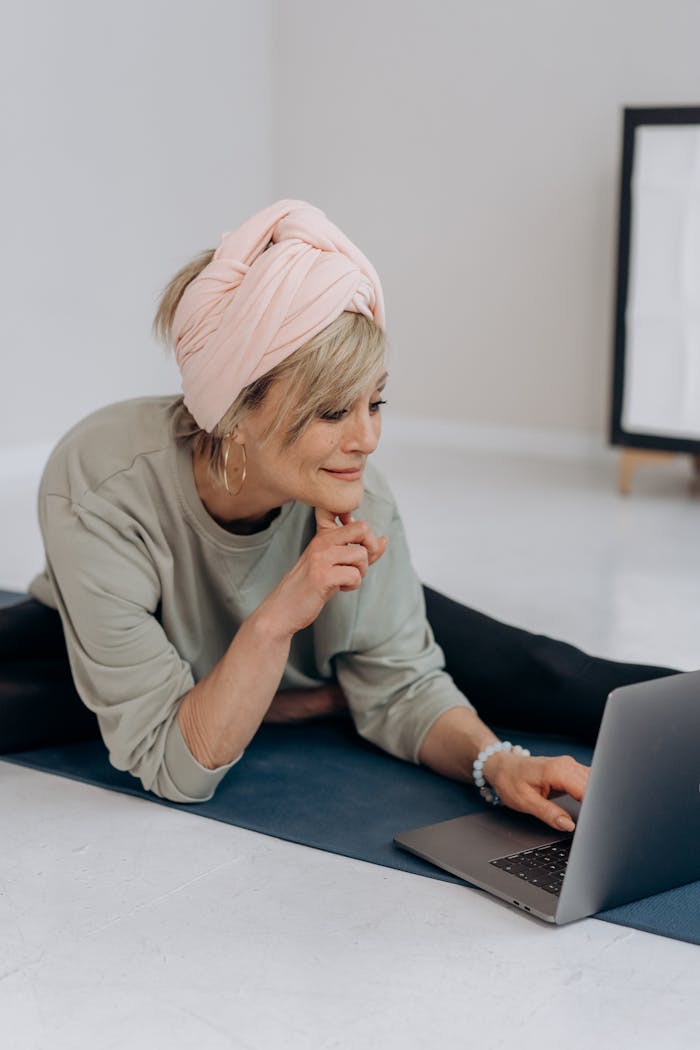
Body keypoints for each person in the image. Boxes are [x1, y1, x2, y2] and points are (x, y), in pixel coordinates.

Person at [0, 199, 677, 832]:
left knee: (549, 672)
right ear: (236, 413)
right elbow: (177, 771)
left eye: (374, 404)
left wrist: (498, 766)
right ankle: (306, 697)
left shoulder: (356, 498)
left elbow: (404, 689)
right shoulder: (103, 482)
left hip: (271, 650)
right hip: (107, 621)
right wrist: (282, 615)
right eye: (332, 412)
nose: (367, 439)